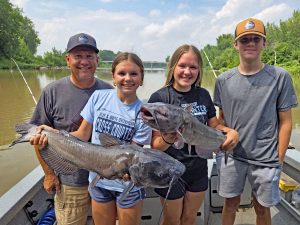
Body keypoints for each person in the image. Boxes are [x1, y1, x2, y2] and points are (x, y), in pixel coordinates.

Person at [32, 52, 152, 225]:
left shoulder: (144, 113)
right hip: (98, 183)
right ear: (113, 76)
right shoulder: (98, 97)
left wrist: (128, 172)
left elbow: (134, 153)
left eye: (134, 74)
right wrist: (53, 134)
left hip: (127, 187)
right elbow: (82, 135)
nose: (127, 78)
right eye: (122, 73)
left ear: (141, 78)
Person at [213, 18, 298, 225]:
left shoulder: (280, 77)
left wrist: (279, 157)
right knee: (230, 203)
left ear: (264, 43)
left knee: (261, 207)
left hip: (266, 158)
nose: (250, 43)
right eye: (244, 40)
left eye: (255, 39)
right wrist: (224, 136)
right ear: (235, 44)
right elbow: (220, 119)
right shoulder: (223, 80)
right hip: (232, 156)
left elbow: (286, 122)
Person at [148, 44, 239, 225]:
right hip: (169, 170)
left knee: (189, 218)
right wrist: (169, 137)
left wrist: (230, 132)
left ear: (199, 70)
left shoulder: (203, 94)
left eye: (193, 67)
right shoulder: (160, 99)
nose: (187, 72)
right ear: (173, 67)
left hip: (197, 168)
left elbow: (213, 125)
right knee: (172, 220)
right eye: (182, 66)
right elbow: (156, 146)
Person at [30, 33, 113, 225]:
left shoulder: (109, 92)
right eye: (78, 56)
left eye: (89, 56)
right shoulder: (52, 91)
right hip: (70, 182)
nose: (84, 61)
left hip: (106, 181)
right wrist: (49, 174)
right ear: (68, 60)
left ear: (97, 60)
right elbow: (38, 136)